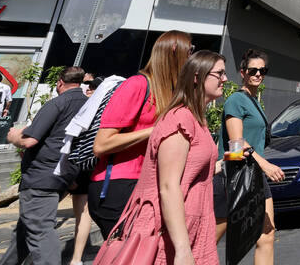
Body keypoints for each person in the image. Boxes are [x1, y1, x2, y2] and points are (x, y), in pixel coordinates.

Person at [100, 51, 226, 265]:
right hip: (167, 232)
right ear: (197, 77)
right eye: (219, 73)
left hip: (194, 226)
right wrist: (183, 250)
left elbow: (191, 172)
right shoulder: (179, 119)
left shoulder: (197, 120)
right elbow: (168, 186)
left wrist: (223, 164)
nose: (224, 79)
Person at [90, 29, 192, 235]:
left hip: (147, 183)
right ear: (175, 51)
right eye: (190, 51)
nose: (192, 57)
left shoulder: (168, 92)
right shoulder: (136, 85)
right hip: (117, 186)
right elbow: (101, 145)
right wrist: (155, 130)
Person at [0, 66, 88, 265]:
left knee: (40, 229)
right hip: (65, 173)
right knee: (26, 228)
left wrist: (14, 136)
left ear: (60, 82)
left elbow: (29, 141)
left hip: (42, 174)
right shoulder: (88, 104)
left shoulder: (58, 102)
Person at [215, 49, 283, 264]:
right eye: (253, 70)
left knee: (267, 236)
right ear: (242, 72)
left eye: (262, 70)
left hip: (255, 175)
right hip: (236, 176)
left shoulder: (254, 100)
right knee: (209, 240)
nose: (258, 74)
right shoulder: (236, 100)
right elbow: (237, 143)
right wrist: (265, 165)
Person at [68, 77, 100, 265]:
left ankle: (76, 258)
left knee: (83, 212)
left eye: (94, 87)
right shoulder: (87, 107)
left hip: (82, 166)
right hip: (75, 164)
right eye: (88, 86)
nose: (89, 89)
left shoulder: (86, 108)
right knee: (82, 212)